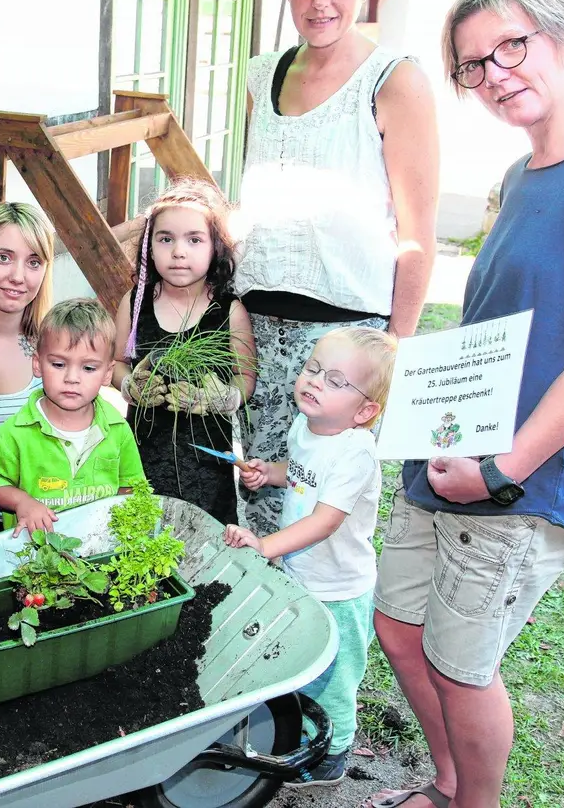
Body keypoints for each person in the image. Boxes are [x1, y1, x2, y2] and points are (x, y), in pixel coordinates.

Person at [365, 0, 564, 808]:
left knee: (462, 665)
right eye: (472, 65)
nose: (495, 73)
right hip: (455, 454)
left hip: (524, 473)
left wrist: (500, 468)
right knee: (399, 631)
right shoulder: (524, 170)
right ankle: (447, 782)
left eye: (513, 45)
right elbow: (500, 332)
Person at [234, 0, 438, 536]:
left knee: (323, 517)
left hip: (342, 341)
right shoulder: (261, 73)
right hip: (256, 332)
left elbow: (416, 234)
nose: (320, 1)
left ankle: (327, 633)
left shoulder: (393, 80)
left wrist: (390, 346)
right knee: (255, 500)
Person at [224, 326, 396, 788]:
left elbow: (324, 520)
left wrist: (265, 546)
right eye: (312, 369)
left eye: (336, 381)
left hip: (339, 586)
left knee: (334, 676)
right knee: (302, 658)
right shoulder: (308, 426)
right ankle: (298, 724)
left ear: (365, 410)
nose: (315, 381)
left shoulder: (356, 452)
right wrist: (272, 474)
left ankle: (334, 753)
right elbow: (301, 475)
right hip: (303, 573)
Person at [111, 178, 255, 525]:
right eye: (166, 239)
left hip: (206, 466)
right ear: (149, 246)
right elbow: (115, 363)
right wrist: (129, 384)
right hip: (142, 458)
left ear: (215, 247)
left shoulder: (229, 311)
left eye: (194, 239)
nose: (179, 251)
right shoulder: (134, 303)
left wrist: (225, 398)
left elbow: (246, 377)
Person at [0, 298, 147, 535]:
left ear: (107, 374)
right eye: (58, 364)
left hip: (99, 556)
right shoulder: (16, 432)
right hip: (33, 558)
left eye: (88, 368)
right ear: (37, 364)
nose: (72, 378)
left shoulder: (117, 429)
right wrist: (21, 502)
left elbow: (131, 487)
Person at [0, 201, 56, 538]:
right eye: (4, 258)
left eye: (33, 262)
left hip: (37, 526)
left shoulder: (51, 352)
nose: (18, 276)